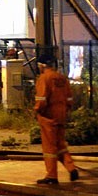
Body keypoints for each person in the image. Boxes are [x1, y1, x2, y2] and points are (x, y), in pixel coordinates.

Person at [34, 55, 78, 185]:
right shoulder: (62, 78)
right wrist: (66, 110)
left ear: (42, 66)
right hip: (61, 115)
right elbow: (69, 98)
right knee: (60, 145)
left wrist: (37, 110)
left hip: (48, 116)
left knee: (49, 148)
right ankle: (71, 168)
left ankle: (52, 176)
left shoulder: (44, 78)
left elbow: (41, 99)